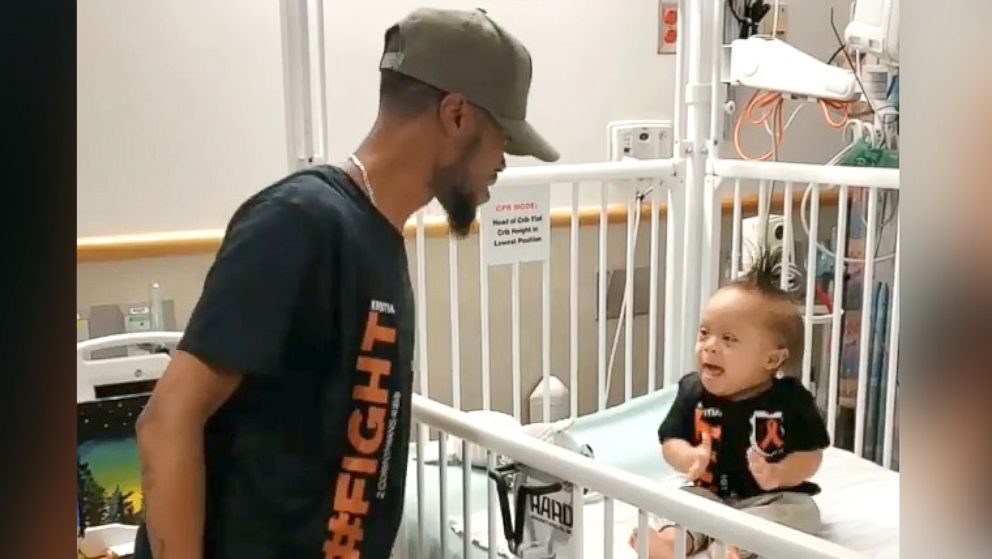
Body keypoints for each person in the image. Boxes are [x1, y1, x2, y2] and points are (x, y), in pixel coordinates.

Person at [132, 8, 558, 559]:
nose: (503, 163)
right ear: (455, 115)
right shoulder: (299, 222)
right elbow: (167, 423)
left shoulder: (379, 240)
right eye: (504, 139)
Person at [630, 250, 830, 559]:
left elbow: (811, 456)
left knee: (802, 512)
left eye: (728, 339)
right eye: (705, 333)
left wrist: (779, 474)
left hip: (769, 499)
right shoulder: (693, 391)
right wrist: (688, 458)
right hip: (709, 493)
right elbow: (670, 439)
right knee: (679, 502)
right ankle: (672, 544)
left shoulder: (790, 400)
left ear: (771, 359)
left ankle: (733, 548)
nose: (709, 346)